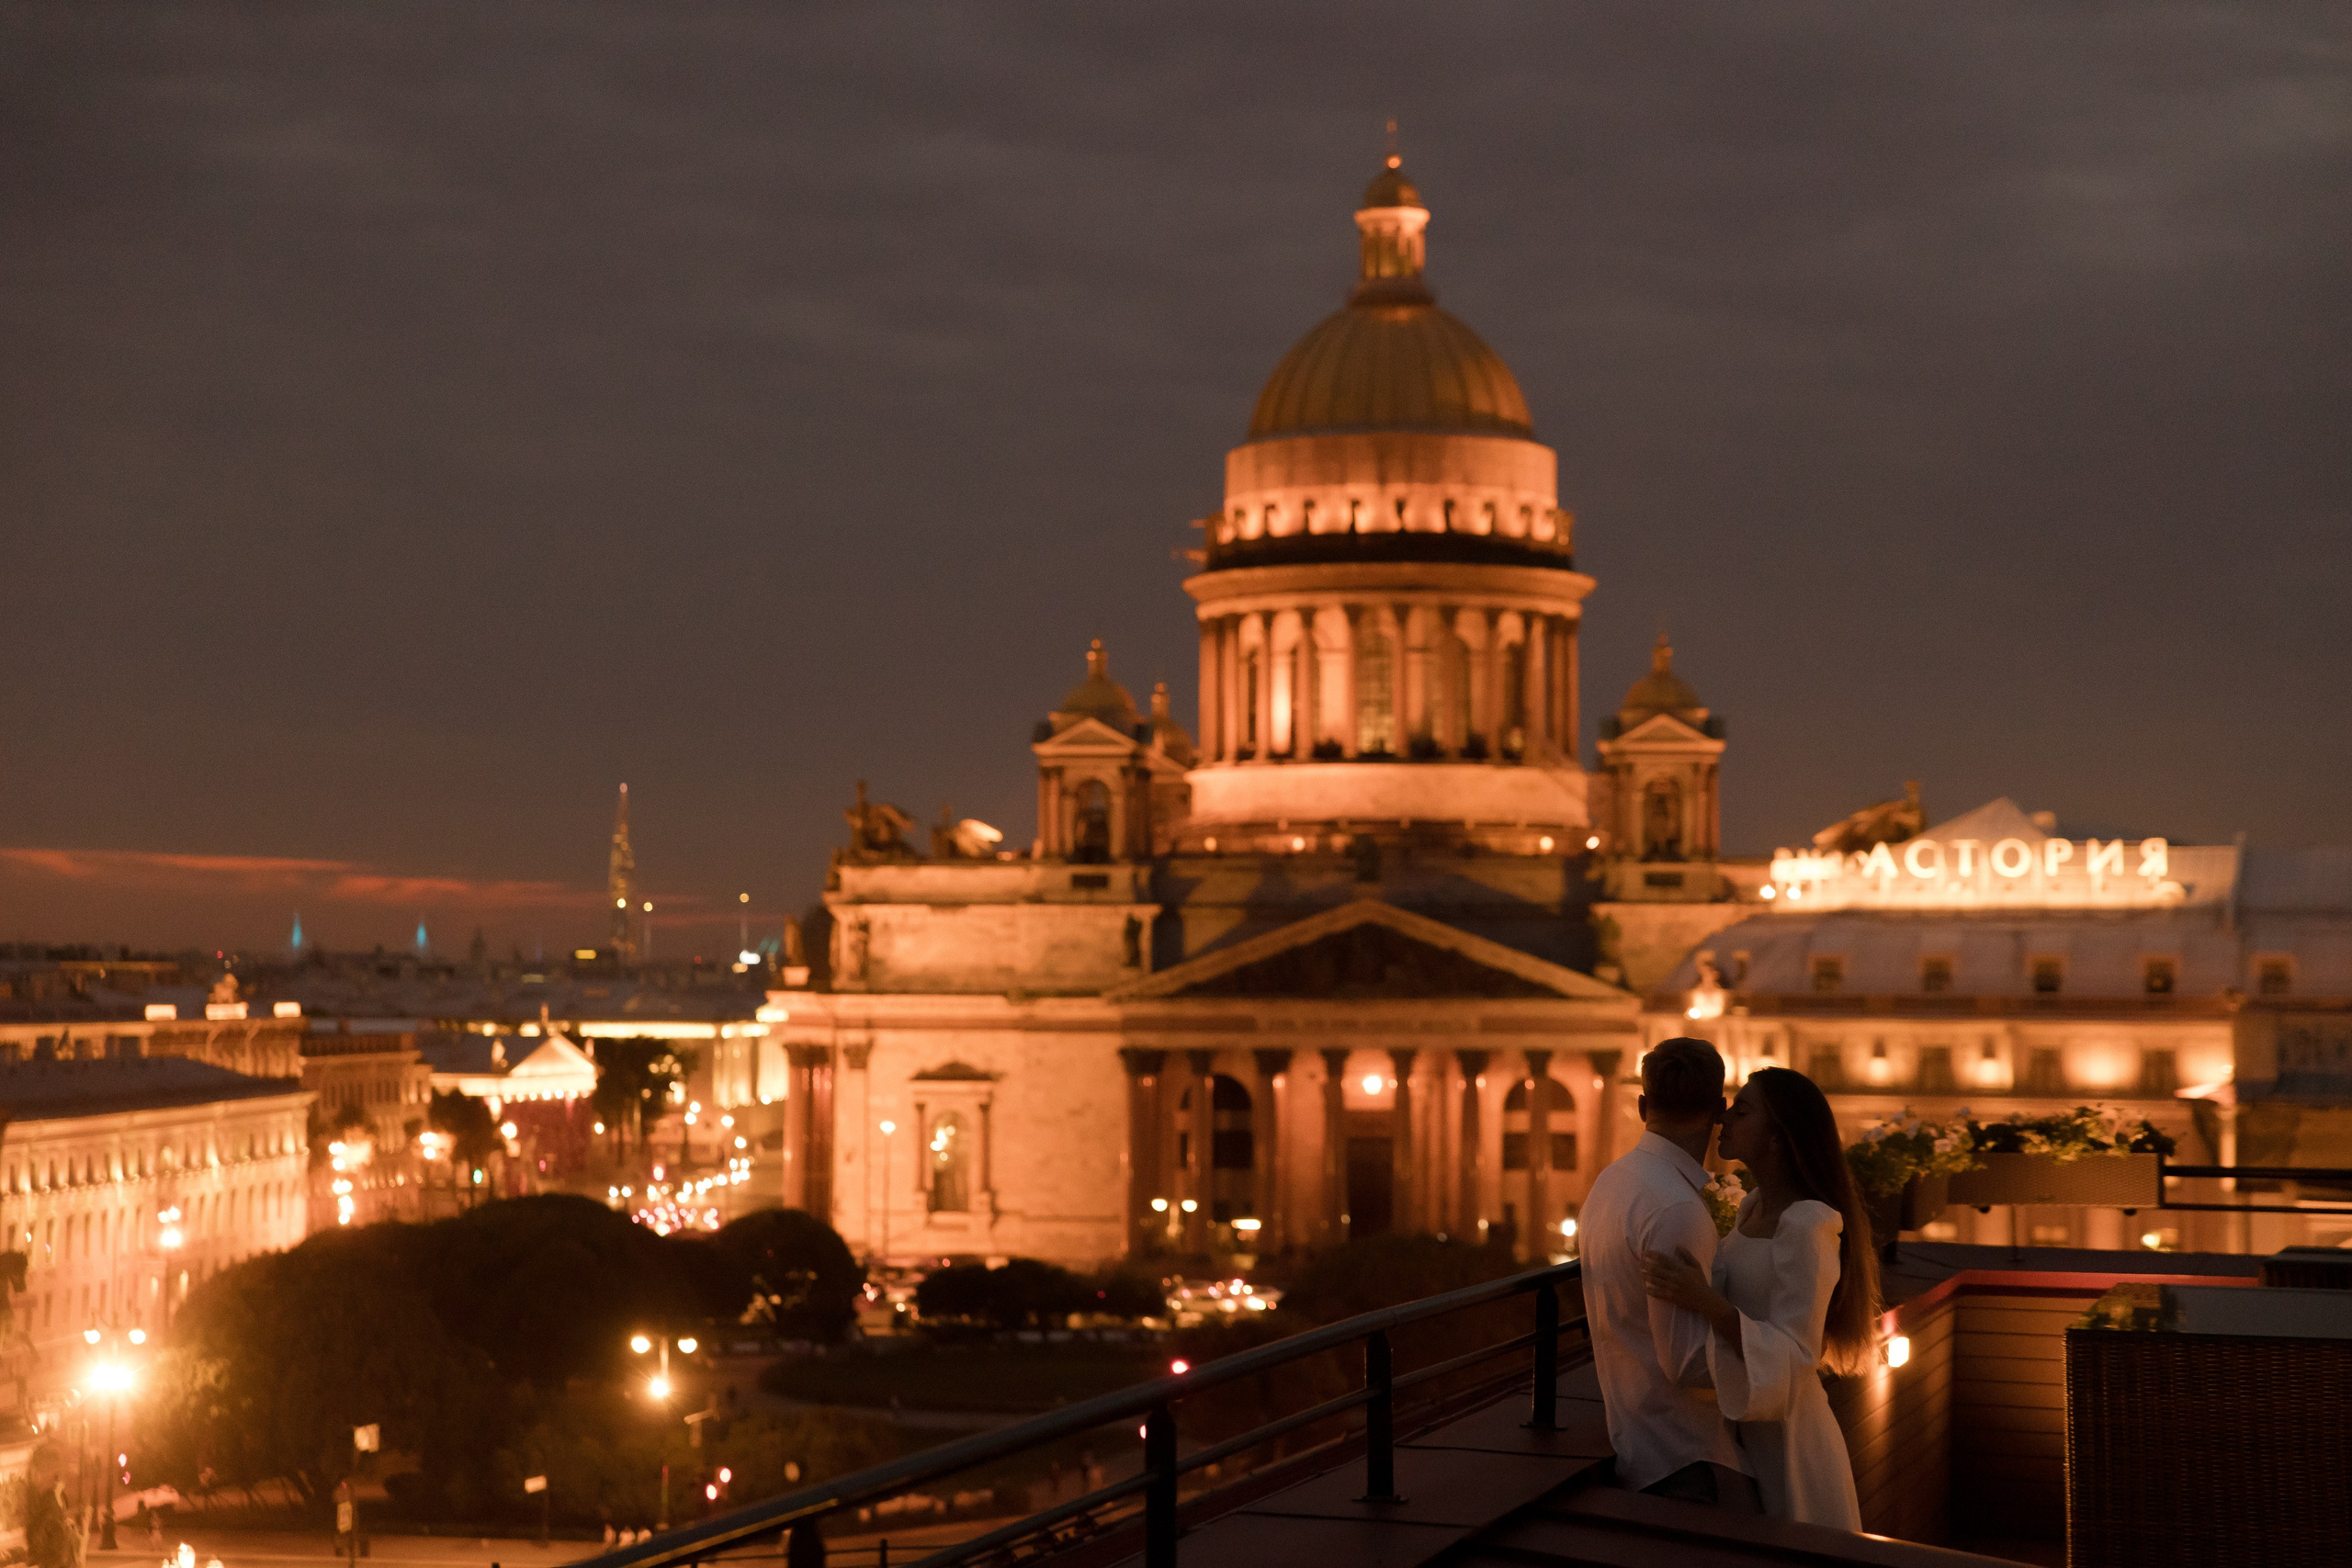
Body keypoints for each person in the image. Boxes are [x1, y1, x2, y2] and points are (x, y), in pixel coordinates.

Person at [1641, 1066, 1880, 1529]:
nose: (1723, 1119)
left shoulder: (1808, 1224)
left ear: (1777, 1138)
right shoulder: (1751, 1207)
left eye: (1743, 1110)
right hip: (1747, 1427)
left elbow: (1797, 1351)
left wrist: (1706, 1302)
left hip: (1791, 1440)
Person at [1579, 1037, 1758, 1511]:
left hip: (1643, 1445)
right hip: (1689, 1460)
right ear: (1719, 1111)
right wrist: (1785, 1359)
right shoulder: (1676, 1207)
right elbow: (1687, 1363)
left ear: (1642, 1106)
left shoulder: (1613, 1181)